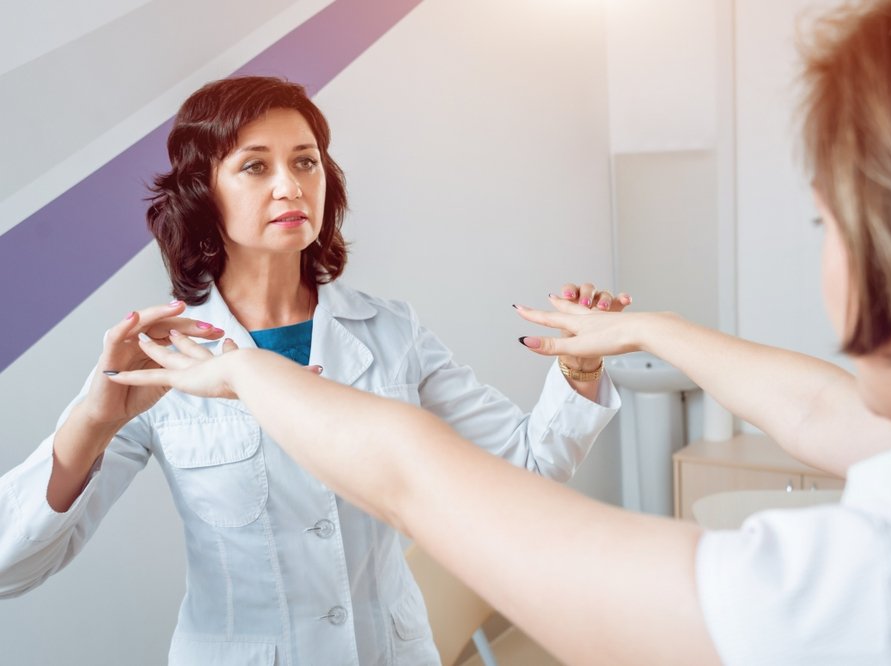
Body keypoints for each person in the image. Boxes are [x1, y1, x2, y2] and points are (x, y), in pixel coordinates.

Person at [106, 0, 891, 663]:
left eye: (823, 224)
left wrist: (250, 374)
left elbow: (430, 482)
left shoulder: (887, 585)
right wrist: (651, 329)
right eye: (254, 167)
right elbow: (818, 409)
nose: (287, 186)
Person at [0, 76, 628, 664]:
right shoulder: (161, 354)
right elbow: (13, 566)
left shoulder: (391, 332)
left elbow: (527, 466)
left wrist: (579, 367)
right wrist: (93, 421)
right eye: (255, 166)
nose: (291, 186)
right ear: (201, 193)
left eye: (305, 161)